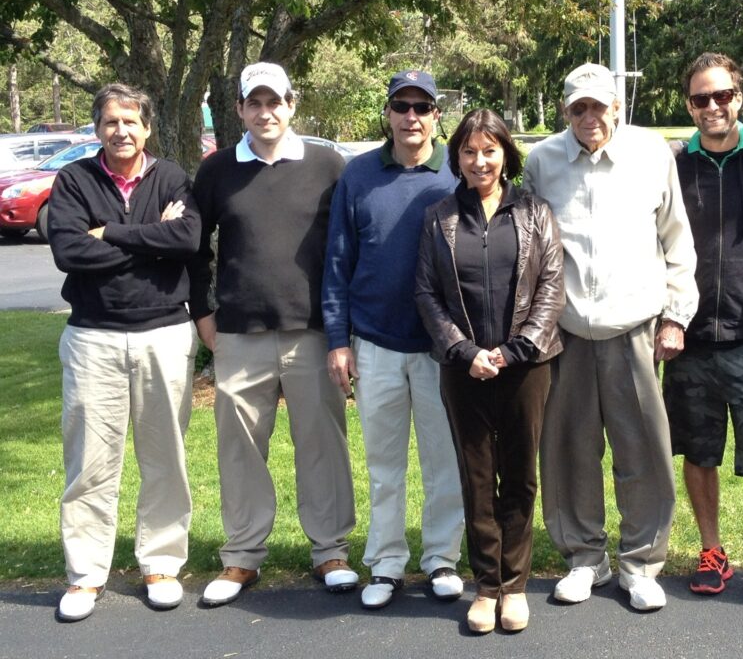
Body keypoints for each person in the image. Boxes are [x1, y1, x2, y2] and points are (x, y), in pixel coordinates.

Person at [523, 63, 699, 611]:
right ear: (565, 111)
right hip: (566, 333)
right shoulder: (542, 161)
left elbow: (677, 242)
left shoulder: (651, 155)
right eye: (579, 108)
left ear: (618, 107)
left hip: (636, 330)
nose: (590, 117)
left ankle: (642, 562)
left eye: (599, 106)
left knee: (642, 449)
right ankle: (584, 557)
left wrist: (676, 316)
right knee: (569, 449)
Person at [189, 62, 357, 606]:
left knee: (322, 445)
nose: (266, 112)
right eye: (254, 103)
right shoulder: (217, 171)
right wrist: (203, 314)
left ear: (292, 103)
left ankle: (330, 551)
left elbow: (348, 248)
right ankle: (242, 557)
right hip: (239, 332)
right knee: (240, 450)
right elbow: (194, 246)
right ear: (238, 109)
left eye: (275, 101)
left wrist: (344, 328)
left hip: (313, 332)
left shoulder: (328, 164)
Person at [47, 83, 200, 621]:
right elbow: (69, 250)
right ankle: (86, 575)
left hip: (164, 334)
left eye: (131, 122)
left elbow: (185, 241)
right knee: (89, 461)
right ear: (98, 129)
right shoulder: (74, 179)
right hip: (94, 337)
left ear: (147, 128)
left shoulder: (174, 177)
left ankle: (160, 564)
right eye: (111, 122)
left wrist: (108, 233)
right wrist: (147, 236)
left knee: (166, 459)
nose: (121, 131)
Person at [415, 109, 564, 633]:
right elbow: (427, 293)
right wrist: (463, 351)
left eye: (490, 150)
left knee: (520, 474)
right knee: (476, 477)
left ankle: (515, 585)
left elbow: (550, 285)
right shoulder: (439, 216)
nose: (480, 161)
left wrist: (516, 349)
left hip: (526, 367)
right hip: (464, 369)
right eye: (469, 152)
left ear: (506, 154)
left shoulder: (535, 211)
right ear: (456, 157)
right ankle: (486, 587)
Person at [322, 70, 465, 610]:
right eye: (401, 107)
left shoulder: (457, 169)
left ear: (435, 116)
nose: (412, 117)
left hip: (440, 347)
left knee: (442, 460)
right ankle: (384, 563)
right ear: (387, 113)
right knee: (384, 465)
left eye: (422, 108)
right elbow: (337, 264)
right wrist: (339, 339)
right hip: (375, 342)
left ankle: (441, 559)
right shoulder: (358, 176)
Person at [662, 53, 743, 608]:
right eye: (700, 98)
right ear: (688, 104)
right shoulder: (672, 165)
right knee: (698, 452)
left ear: (741, 95)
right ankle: (711, 550)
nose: (712, 107)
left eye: (722, 96)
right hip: (687, 339)